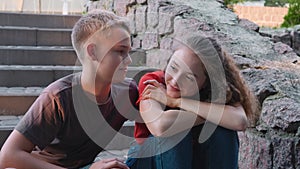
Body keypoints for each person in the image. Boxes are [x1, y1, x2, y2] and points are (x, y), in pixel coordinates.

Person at [0, 10, 139, 169]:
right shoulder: (57, 98)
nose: (129, 60)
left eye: (128, 52)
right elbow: (7, 155)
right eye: (120, 51)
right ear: (93, 52)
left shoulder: (128, 91)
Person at [126, 35, 260, 169]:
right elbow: (160, 126)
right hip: (147, 161)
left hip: (193, 160)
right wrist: (212, 116)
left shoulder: (217, 92)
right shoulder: (152, 82)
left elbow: (239, 121)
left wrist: (177, 102)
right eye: (174, 67)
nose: (174, 81)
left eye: (189, 77)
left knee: (223, 132)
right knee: (176, 130)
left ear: (205, 83)